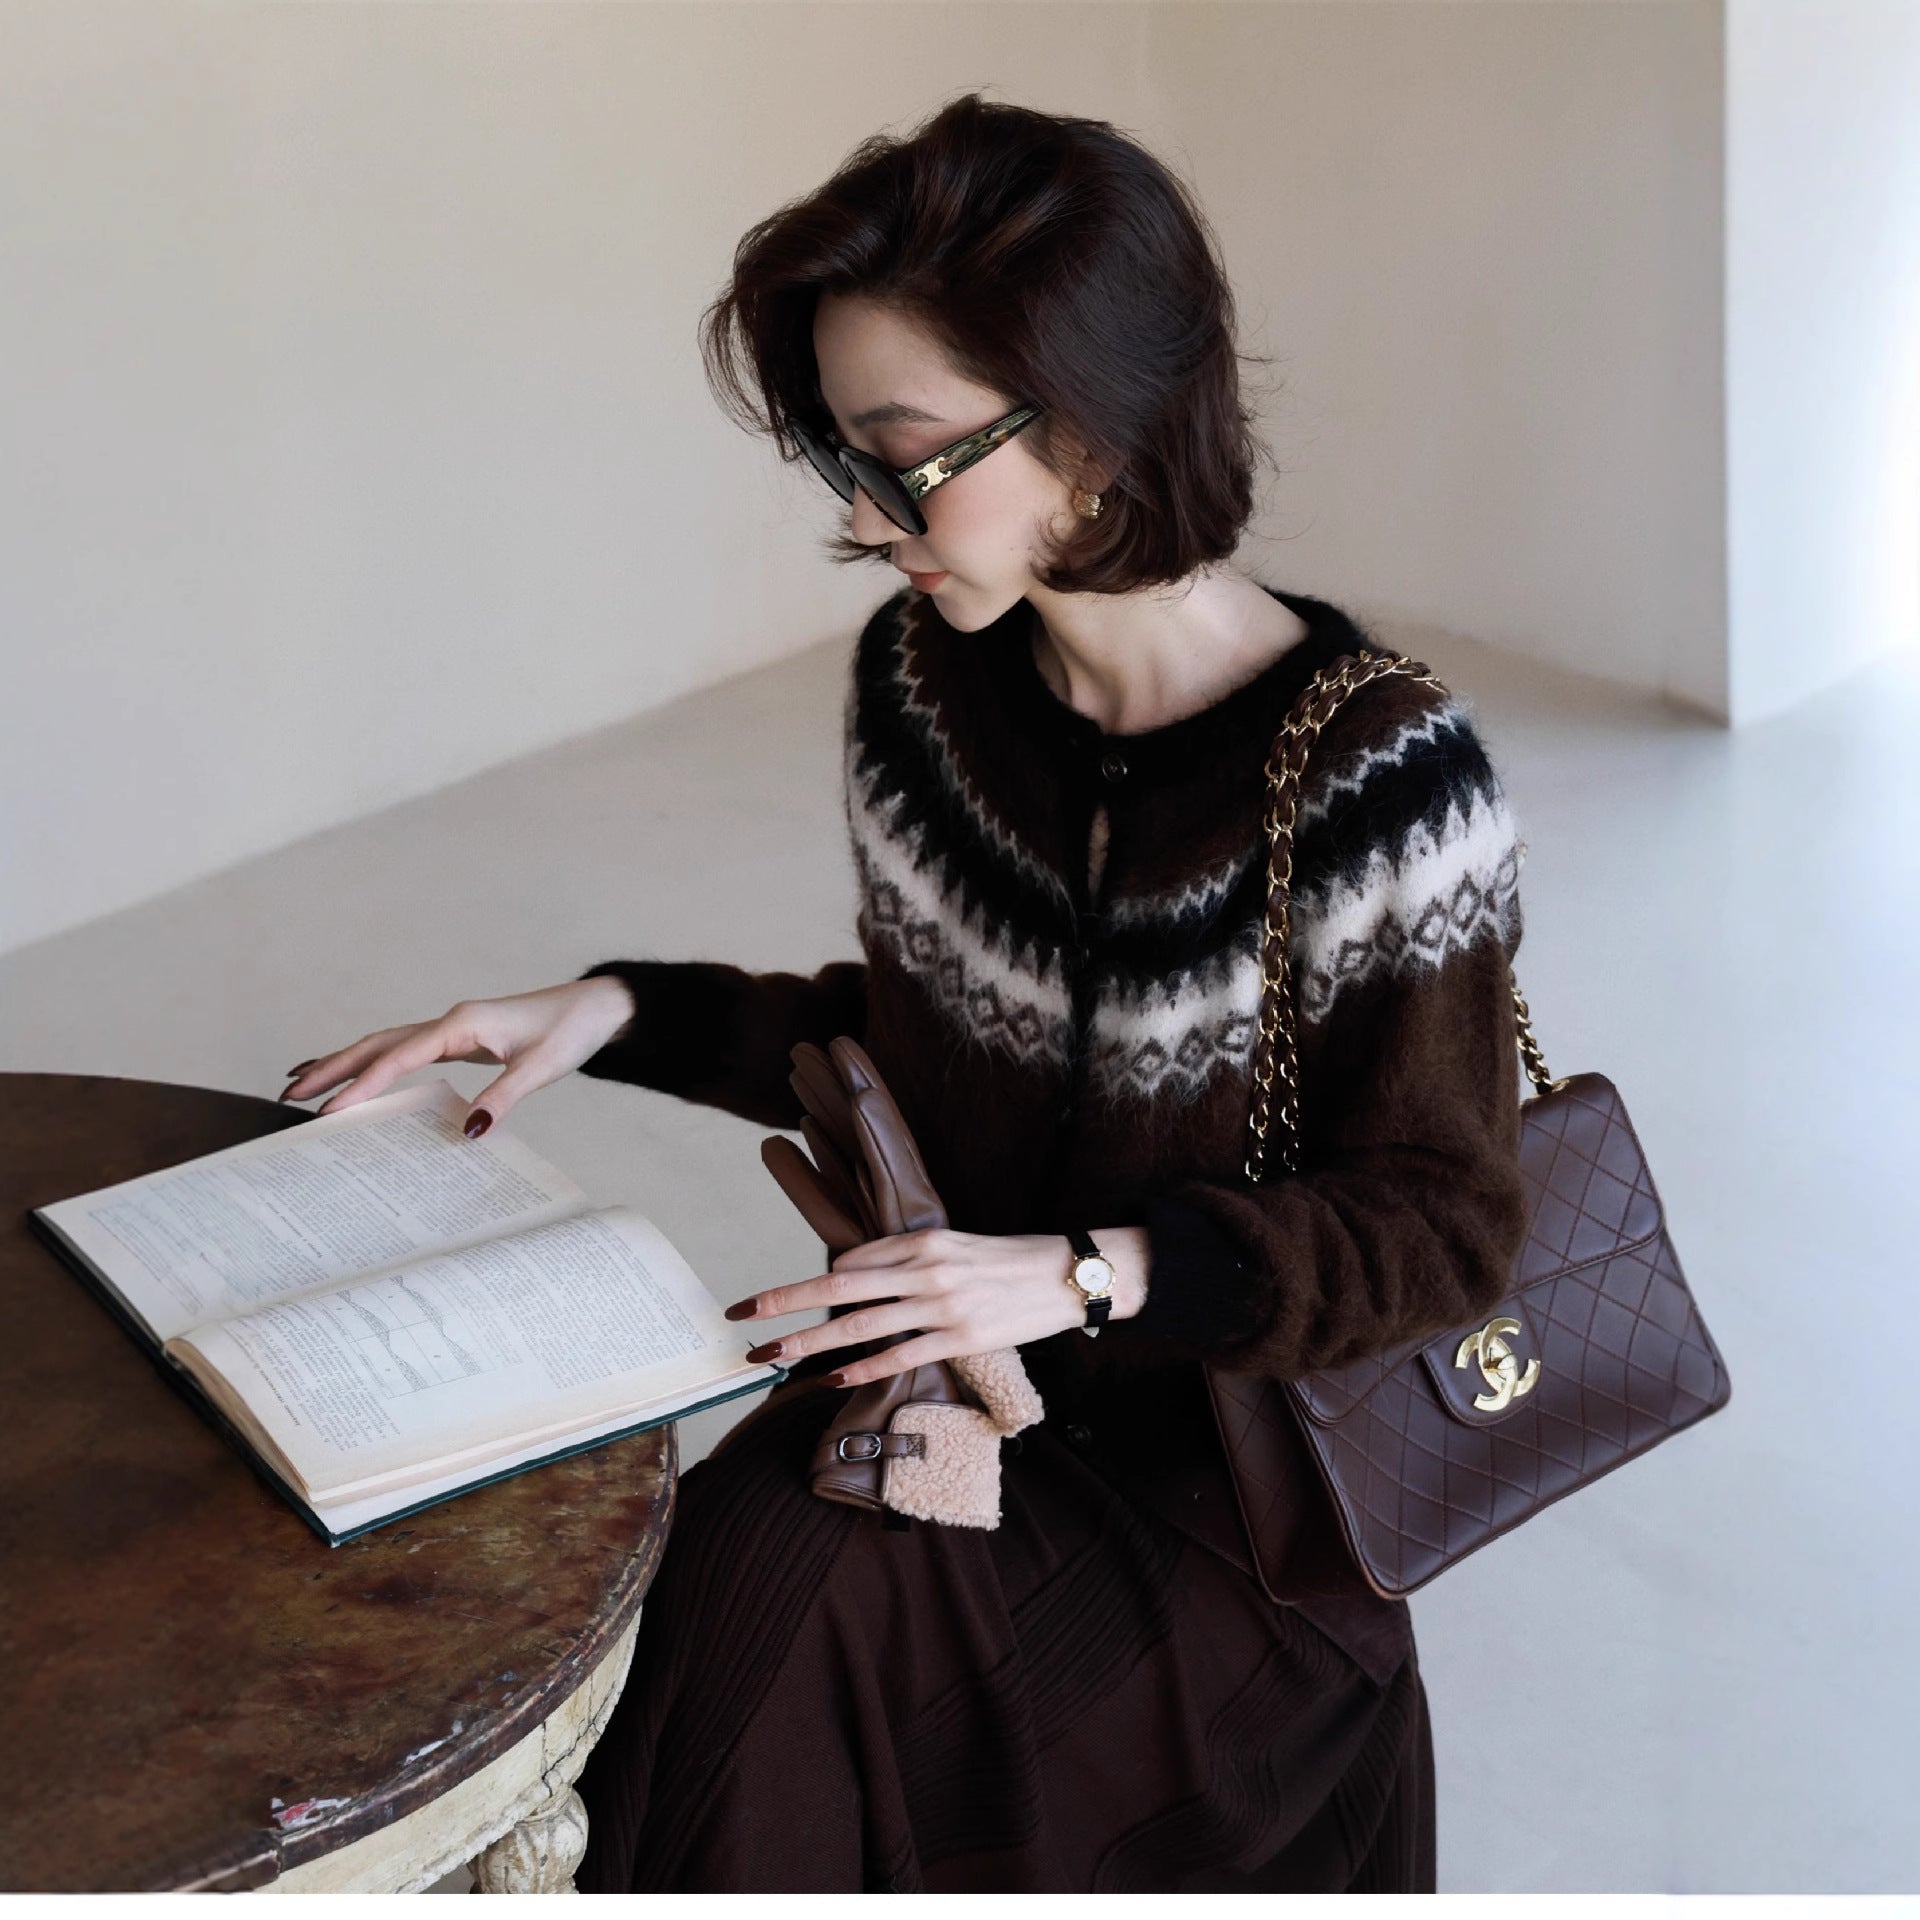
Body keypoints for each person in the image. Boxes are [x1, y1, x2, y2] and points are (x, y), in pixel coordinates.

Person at [280, 93, 1531, 1892]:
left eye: (911, 457)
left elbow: (1443, 1226)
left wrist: (1087, 1274)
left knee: (762, 1648)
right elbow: (942, 1038)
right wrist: (620, 1008)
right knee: (703, 1622)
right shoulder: (924, 696)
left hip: (1231, 1506)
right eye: (842, 463)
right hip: (940, 1414)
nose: (873, 525)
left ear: (1096, 436)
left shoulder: (1386, 782)